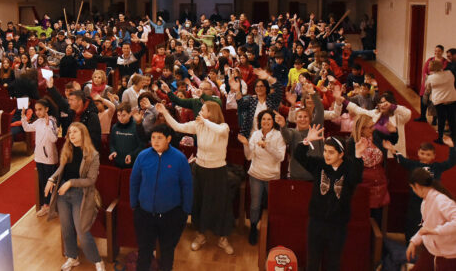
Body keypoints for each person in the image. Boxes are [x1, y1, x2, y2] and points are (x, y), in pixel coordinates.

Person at [156, 101, 235, 255]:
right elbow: (177, 127)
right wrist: (164, 112)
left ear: (211, 113)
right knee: (199, 203)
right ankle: (201, 235)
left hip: (218, 171)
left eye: (203, 110)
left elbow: (219, 130)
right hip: (200, 170)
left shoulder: (223, 127)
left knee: (221, 205)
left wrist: (205, 121)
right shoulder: (198, 125)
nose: (199, 112)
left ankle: (223, 238)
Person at [295, 125, 366, 271]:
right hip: (316, 222)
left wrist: (358, 156)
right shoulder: (320, 165)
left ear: (341, 154)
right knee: (312, 262)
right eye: (325, 151)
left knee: (333, 263)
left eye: (331, 152)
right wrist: (307, 140)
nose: (326, 155)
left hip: (338, 225)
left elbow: (356, 178)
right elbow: (299, 156)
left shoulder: (349, 167)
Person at [130, 124, 193, 271]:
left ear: (168, 139)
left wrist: (185, 211)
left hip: (171, 215)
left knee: (167, 251)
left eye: (159, 138)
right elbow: (134, 181)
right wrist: (134, 205)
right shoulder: (143, 156)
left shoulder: (179, 158)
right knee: (144, 251)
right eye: (153, 138)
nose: (155, 141)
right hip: (145, 214)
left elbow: (187, 185)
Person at [45, 122, 106, 271]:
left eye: (75, 132)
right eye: (69, 132)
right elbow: (61, 168)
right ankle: (72, 257)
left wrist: (71, 183)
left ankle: (97, 261)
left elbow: (91, 180)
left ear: (83, 134)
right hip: (63, 193)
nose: (71, 135)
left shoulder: (93, 155)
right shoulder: (68, 149)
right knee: (66, 228)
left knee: (82, 231)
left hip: (81, 194)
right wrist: (51, 179)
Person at [384, 136, 455, 242]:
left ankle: (428, 243)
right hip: (415, 201)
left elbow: (451, 162)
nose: (425, 156)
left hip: (431, 202)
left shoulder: (437, 167)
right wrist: (391, 149)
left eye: (428, 154)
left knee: (431, 221)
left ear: (434, 156)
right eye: (422, 153)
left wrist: (452, 147)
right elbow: (402, 160)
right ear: (418, 153)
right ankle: (410, 242)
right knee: (413, 221)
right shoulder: (413, 164)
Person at [238, 110, 286, 244]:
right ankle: (253, 228)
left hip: (272, 177)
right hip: (256, 174)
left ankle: (271, 231)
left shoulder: (279, 136)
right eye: (263, 119)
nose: (266, 122)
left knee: (272, 205)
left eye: (269, 119)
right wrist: (246, 144)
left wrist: (267, 147)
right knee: (255, 205)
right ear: (260, 121)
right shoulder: (255, 134)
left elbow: (281, 157)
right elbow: (249, 156)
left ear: (273, 122)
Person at [406, 167, 456, 270]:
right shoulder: (425, 202)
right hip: (432, 250)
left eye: (412, 188)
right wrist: (414, 241)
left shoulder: (441, 200)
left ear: (417, 186)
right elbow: (426, 227)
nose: (414, 191)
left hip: (448, 254)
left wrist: (435, 231)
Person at [21, 99, 59, 217]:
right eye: (36, 110)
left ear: (46, 109)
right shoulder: (38, 121)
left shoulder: (51, 121)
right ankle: (46, 205)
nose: (37, 112)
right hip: (39, 157)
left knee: (50, 183)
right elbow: (27, 128)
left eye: (40, 109)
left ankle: (52, 207)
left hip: (49, 158)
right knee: (43, 182)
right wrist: (23, 116)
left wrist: (47, 126)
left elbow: (53, 139)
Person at [234, 69, 284, 136]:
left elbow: (279, 89)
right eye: (256, 86)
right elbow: (241, 104)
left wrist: (268, 77)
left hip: (270, 135)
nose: (259, 88)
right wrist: (237, 90)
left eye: (261, 86)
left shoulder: (272, 100)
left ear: (266, 88)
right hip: (252, 135)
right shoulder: (251, 100)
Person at [425, 60, 456, 144]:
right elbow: (453, 82)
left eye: (429, 65)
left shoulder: (431, 78)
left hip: (440, 100)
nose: (428, 66)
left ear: (432, 67)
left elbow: (428, 89)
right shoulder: (449, 73)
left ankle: (440, 138)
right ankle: (454, 137)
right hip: (452, 98)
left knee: (441, 120)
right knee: (452, 119)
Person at [108, 104, 145, 168]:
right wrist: (113, 151)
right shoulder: (115, 127)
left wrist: (131, 155)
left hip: (133, 162)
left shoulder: (137, 126)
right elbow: (112, 143)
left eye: (123, 115)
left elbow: (142, 145)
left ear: (130, 114)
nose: (120, 118)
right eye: (118, 115)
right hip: (118, 161)